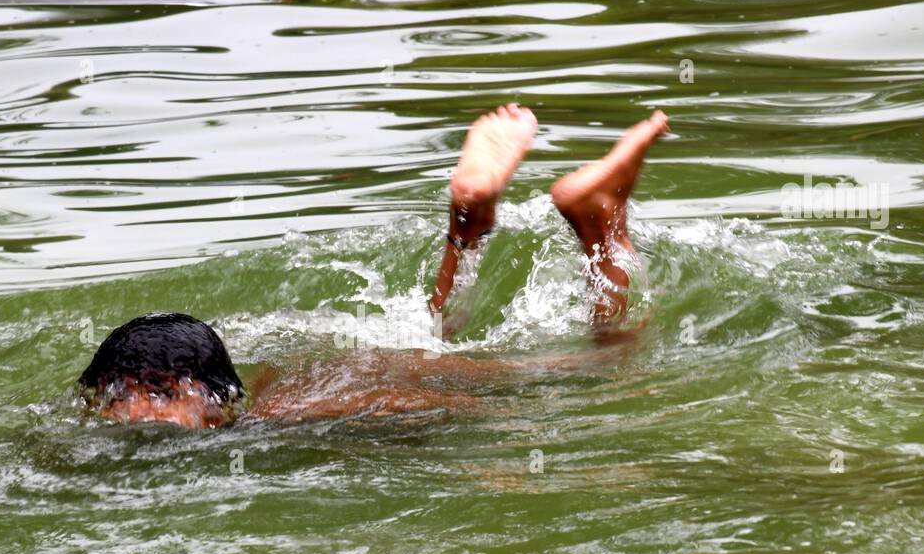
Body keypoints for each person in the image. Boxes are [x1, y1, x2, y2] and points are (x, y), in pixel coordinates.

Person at [79, 105, 670, 427]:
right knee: (436, 343)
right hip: (349, 373)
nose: (138, 421)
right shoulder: (269, 394)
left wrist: (479, 419)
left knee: (604, 364)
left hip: (371, 392)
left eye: (151, 401)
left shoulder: (287, 420)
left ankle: (599, 225)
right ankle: (469, 229)